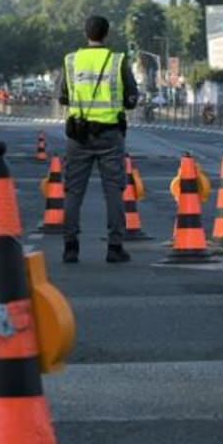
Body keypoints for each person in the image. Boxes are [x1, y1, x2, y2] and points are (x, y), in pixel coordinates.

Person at [58, 15, 139, 264]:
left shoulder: (71, 61)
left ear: (86, 33)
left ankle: (70, 247)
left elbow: (62, 97)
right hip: (110, 135)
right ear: (107, 34)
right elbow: (132, 97)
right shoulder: (117, 61)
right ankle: (115, 247)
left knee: (73, 191)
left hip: (78, 136)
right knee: (113, 191)